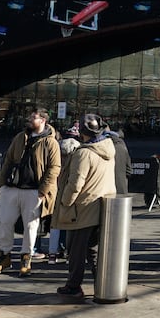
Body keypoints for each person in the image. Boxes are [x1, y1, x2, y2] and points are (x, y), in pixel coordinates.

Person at [0, 108, 61, 278]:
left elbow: (54, 167)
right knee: (4, 222)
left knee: (31, 226)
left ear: (43, 120)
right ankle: (4, 257)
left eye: (34, 117)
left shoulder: (50, 142)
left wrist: (43, 190)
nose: (29, 119)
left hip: (34, 191)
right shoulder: (20, 137)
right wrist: (2, 184)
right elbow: (8, 159)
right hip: (12, 188)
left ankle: (26, 259)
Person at [53, 113, 117, 298]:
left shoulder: (84, 153)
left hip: (82, 209)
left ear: (82, 131)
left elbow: (75, 184)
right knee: (93, 250)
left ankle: (74, 286)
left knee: (76, 251)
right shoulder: (108, 148)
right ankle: (103, 285)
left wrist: (65, 201)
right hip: (101, 206)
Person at [109, 126, 133, 195]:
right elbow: (129, 170)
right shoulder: (123, 146)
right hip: (121, 188)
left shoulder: (102, 147)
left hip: (106, 189)